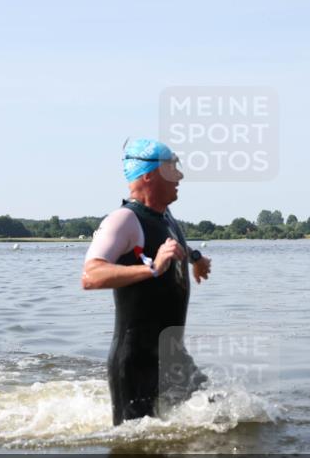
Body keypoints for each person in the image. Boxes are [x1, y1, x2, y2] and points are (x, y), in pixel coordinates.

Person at [82, 138, 213, 425]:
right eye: (172, 168)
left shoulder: (164, 216)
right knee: (135, 450)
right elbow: (91, 275)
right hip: (136, 364)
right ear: (149, 175)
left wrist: (196, 258)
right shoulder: (123, 220)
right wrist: (152, 269)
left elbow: (171, 245)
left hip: (173, 357)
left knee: (219, 416)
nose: (179, 176)